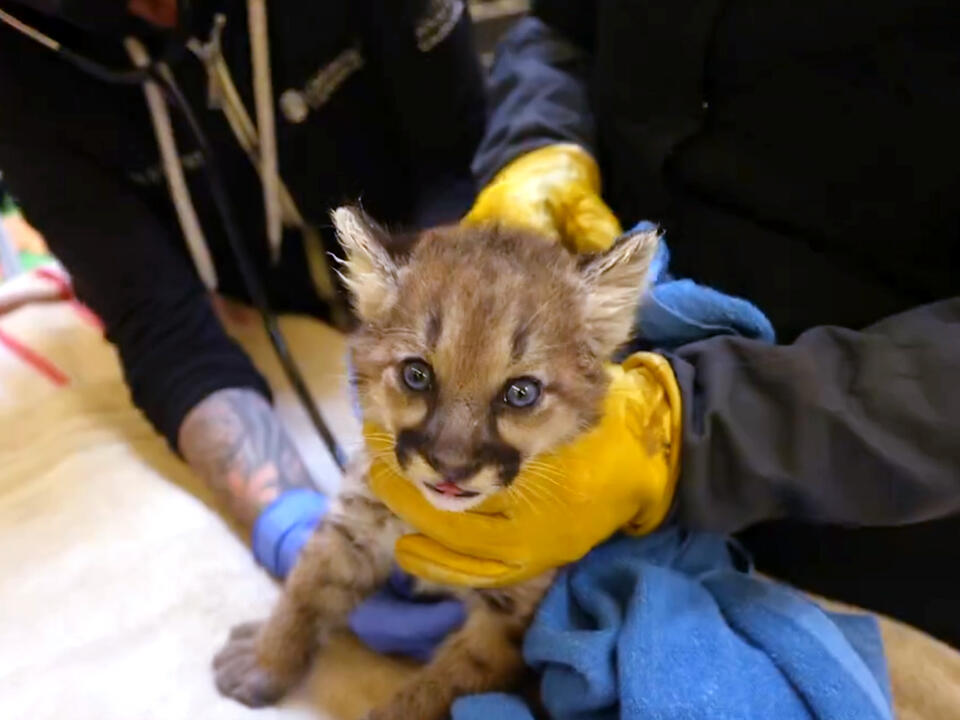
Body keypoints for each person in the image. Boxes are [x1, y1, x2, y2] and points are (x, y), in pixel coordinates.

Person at [380, 0, 960, 649]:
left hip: (864, 549)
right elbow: (558, 30)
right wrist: (538, 145)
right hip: (575, 429)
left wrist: (685, 431)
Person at [0, 0, 482, 655]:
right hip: (247, 316)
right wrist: (296, 531)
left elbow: (458, 170)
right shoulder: (19, 60)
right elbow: (162, 327)